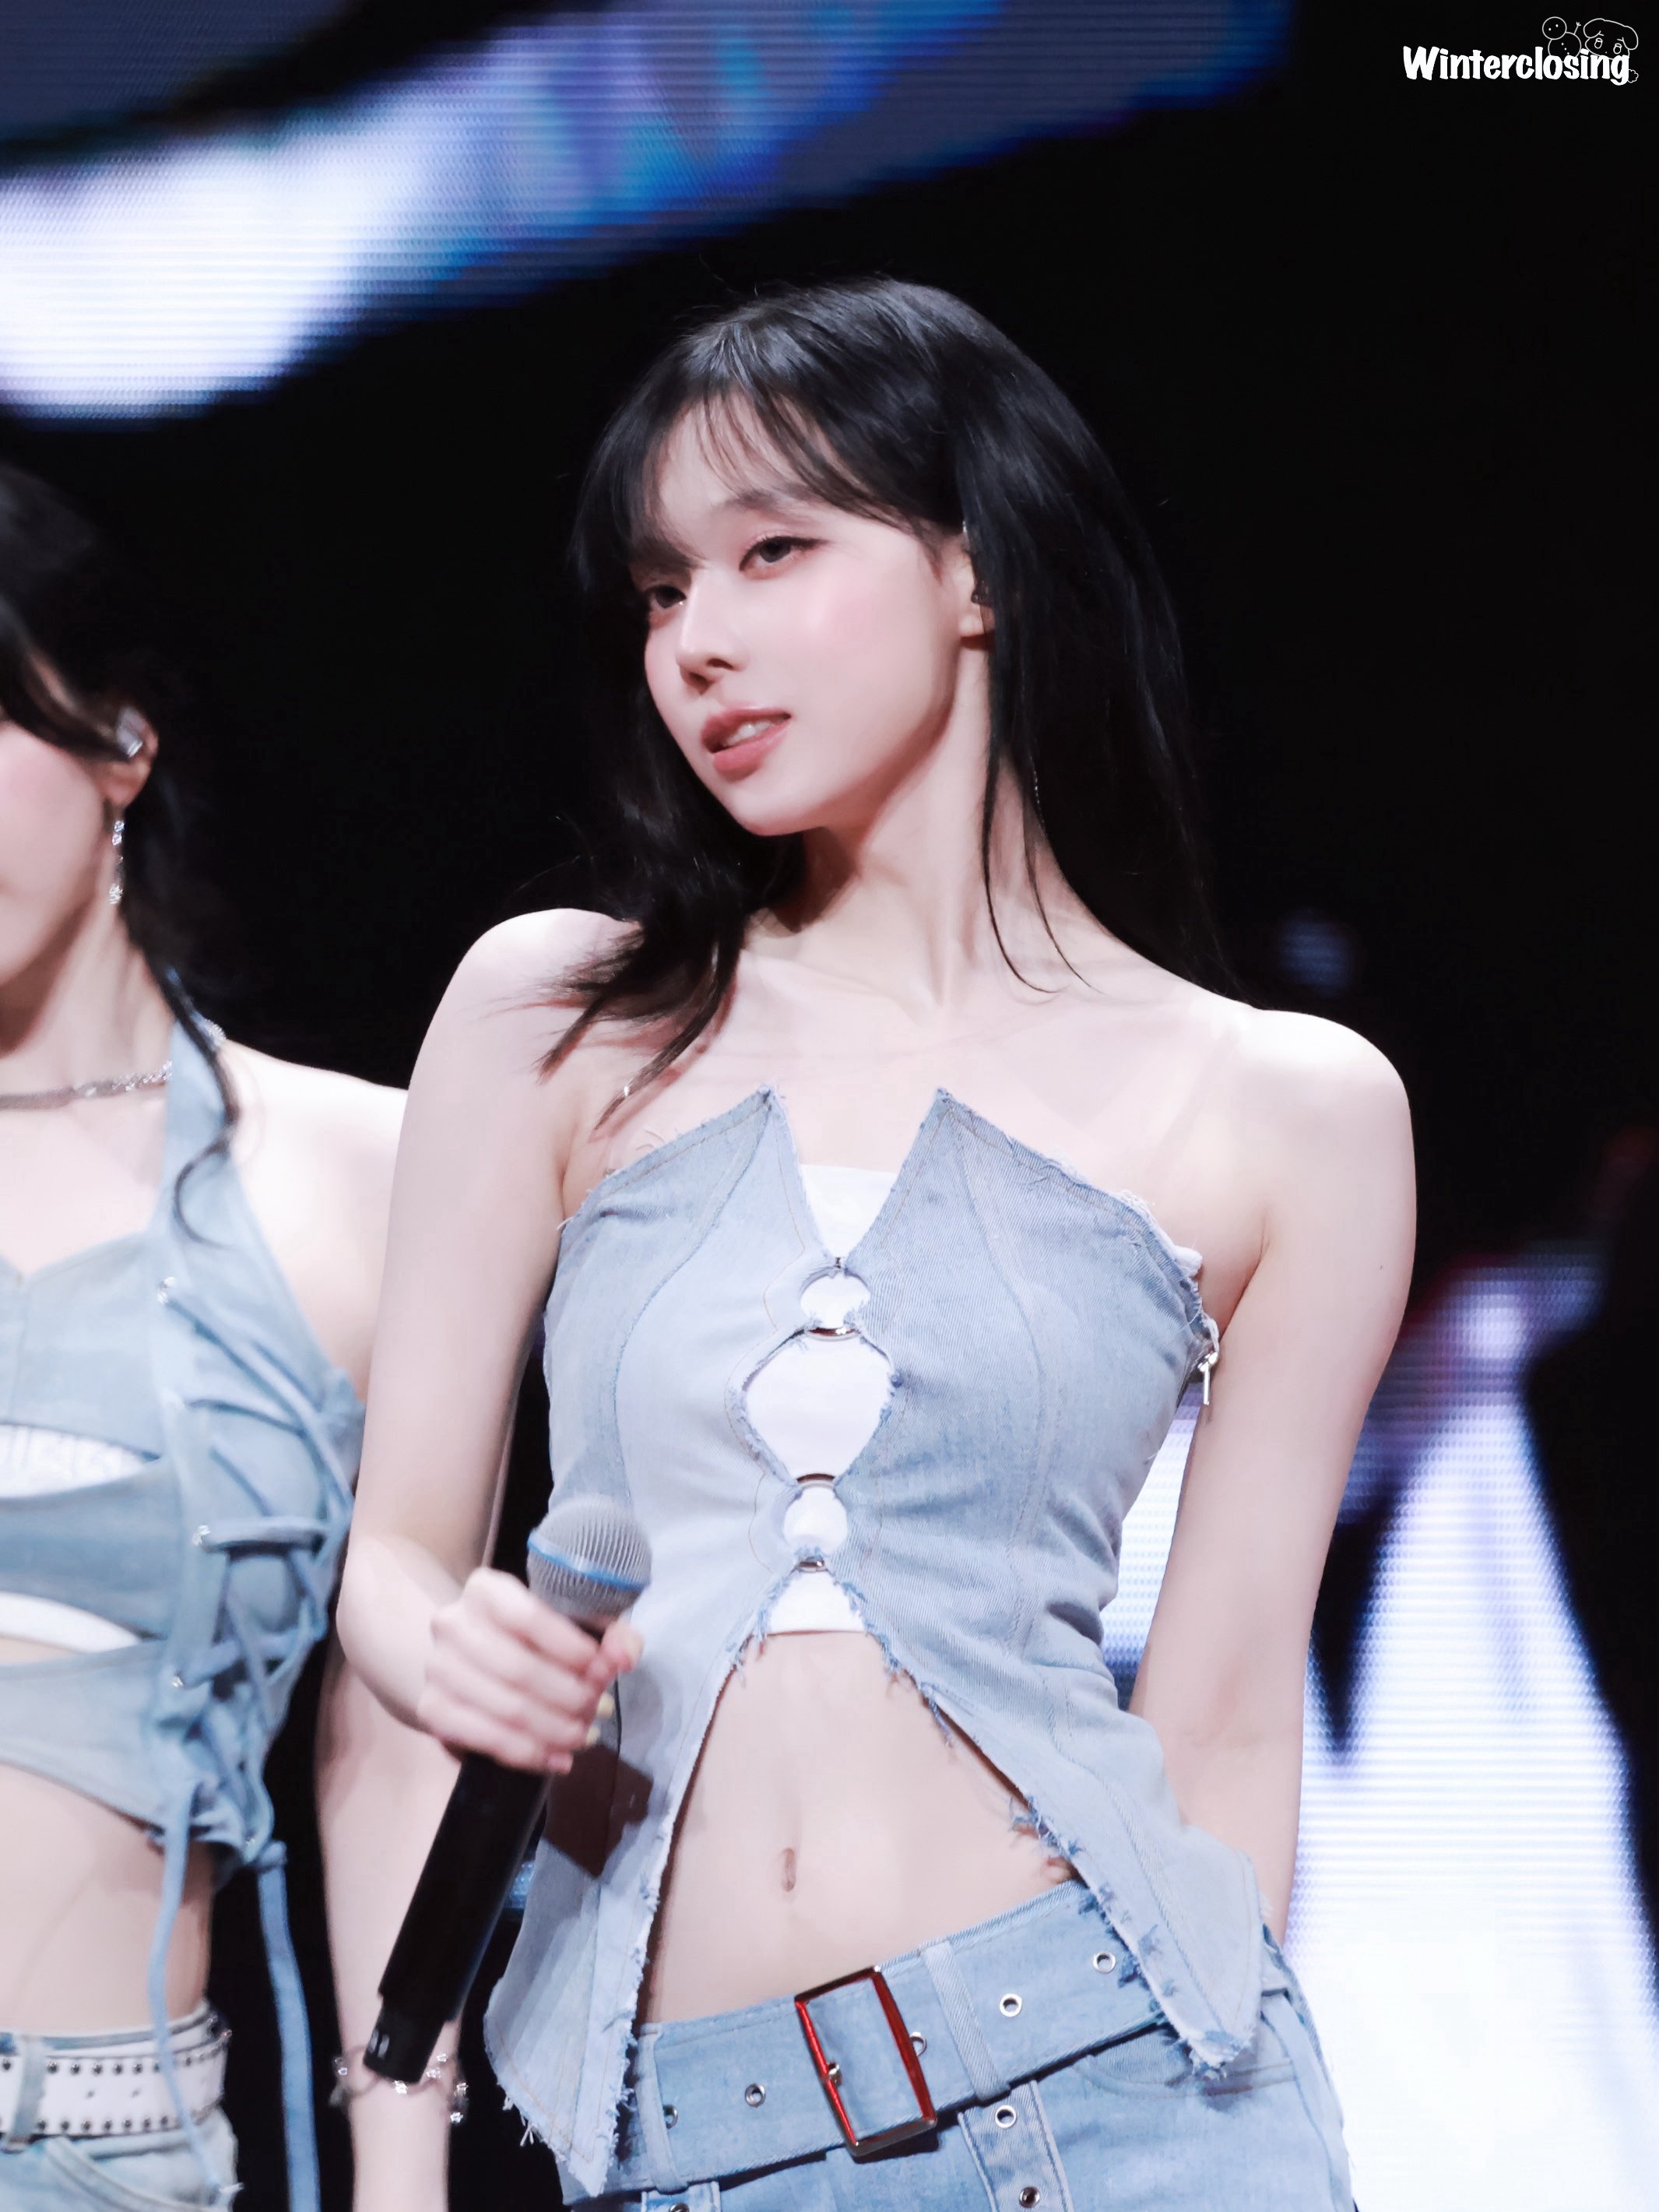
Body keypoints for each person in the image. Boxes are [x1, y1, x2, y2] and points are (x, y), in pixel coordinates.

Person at [339, 280, 1415, 2210]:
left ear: (975, 568)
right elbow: (396, 1559)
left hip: (1124, 2101)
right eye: (661, 588)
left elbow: (1231, 1713)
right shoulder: (559, 1017)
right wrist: (447, 1644)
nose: (699, 640)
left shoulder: (1286, 1107)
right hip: (688, 2139)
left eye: (774, 551)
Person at [0, 462, 455, 2212]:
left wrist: (400, 2180)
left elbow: (394, 1736)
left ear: (121, 738)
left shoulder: (362, 1175)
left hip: (113, 2153)